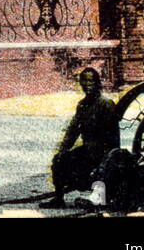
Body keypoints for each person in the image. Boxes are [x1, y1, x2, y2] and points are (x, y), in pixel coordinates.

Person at [48, 67, 119, 206]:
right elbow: (73, 131)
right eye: (84, 82)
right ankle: (58, 198)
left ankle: (99, 194)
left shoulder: (106, 104)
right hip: (88, 150)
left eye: (91, 81)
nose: (87, 85)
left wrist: (108, 158)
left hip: (103, 152)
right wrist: (63, 150)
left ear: (98, 83)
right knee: (59, 160)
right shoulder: (82, 105)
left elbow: (113, 137)